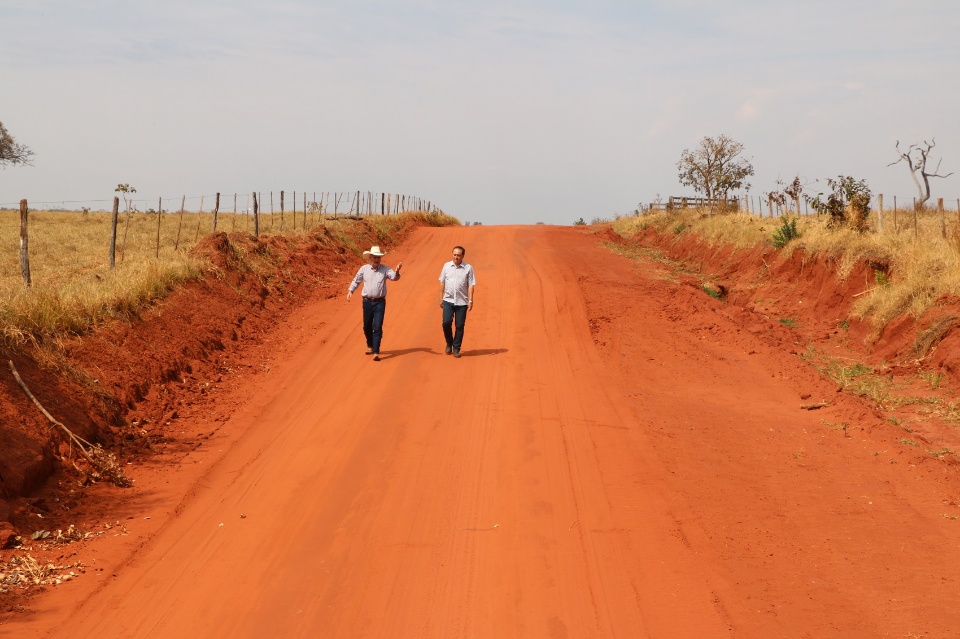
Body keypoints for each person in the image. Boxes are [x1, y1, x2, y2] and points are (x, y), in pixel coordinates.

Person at [346, 246, 402, 361]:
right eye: (375, 257)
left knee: (377, 327)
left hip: (379, 302)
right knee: (366, 326)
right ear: (370, 258)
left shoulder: (385, 269)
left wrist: (397, 272)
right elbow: (356, 280)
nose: (377, 260)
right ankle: (370, 345)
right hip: (367, 302)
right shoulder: (364, 269)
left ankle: (376, 351)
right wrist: (351, 290)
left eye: (379, 258)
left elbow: (394, 277)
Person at [437, 245, 476, 358]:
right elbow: (442, 282)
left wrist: (470, 300)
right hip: (448, 300)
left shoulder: (468, 268)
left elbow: (471, 285)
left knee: (459, 326)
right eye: (454, 255)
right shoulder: (446, 266)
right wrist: (440, 298)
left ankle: (456, 348)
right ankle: (449, 342)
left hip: (462, 302)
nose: (456, 257)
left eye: (458, 255)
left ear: (463, 256)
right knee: (446, 323)